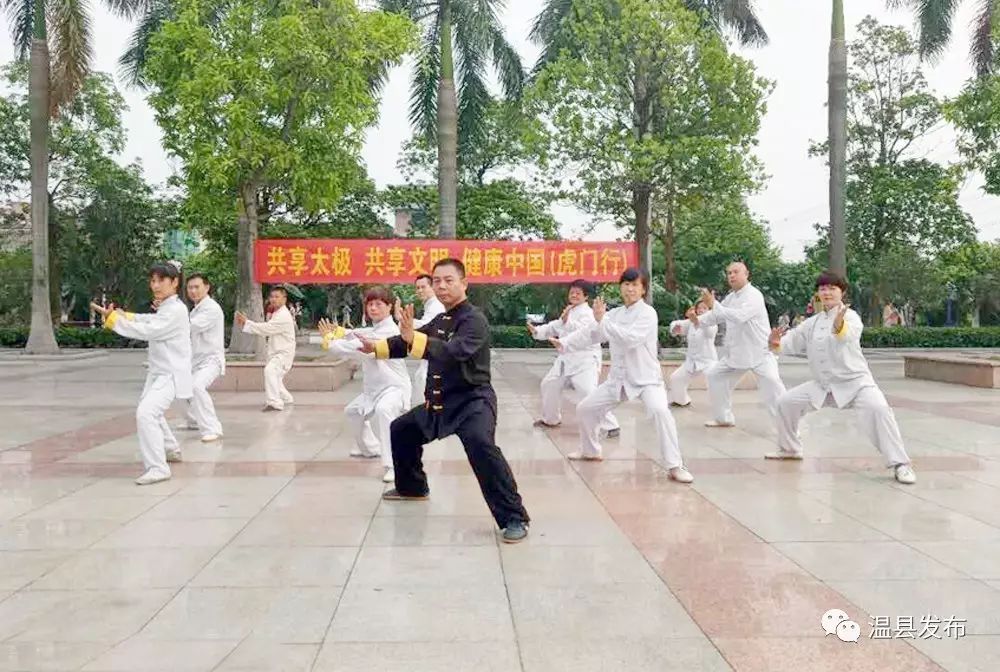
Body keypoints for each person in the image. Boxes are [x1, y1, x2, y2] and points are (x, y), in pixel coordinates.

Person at [359, 258, 531, 544]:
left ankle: (514, 517)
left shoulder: (474, 320)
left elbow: (452, 352)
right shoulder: (442, 320)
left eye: (448, 280)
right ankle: (412, 488)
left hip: (472, 402)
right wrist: (375, 346)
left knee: (482, 447)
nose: (441, 286)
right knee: (402, 429)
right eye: (437, 281)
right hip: (440, 402)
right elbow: (407, 341)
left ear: (464, 283)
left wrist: (412, 338)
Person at [768, 271, 917, 485]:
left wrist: (839, 325)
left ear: (842, 292)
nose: (826, 292)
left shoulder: (851, 317)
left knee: (879, 410)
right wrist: (775, 342)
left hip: (856, 384)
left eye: (832, 288)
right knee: (785, 403)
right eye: (822, 289)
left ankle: (901, 464)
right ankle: (790, 449)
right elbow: (789, 343)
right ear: (817, 293)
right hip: (823, 386)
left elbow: (846, 336)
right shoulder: (812, 323)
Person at [552, 268, 693, 484]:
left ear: (643, 289)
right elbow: (591, 334)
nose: (630, 289)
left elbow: (630, 339)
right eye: (626, 284)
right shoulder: (614, 314)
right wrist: (565, 343)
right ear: (621, 287)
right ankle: (590, 451)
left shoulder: (648, 313)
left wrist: (603, 322)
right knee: (585, 409)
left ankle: (675, 465)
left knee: (660, 411)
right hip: (618, 380)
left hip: (646, 379)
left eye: (635, 285)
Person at [91, 261, 192, 485]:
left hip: (170, 374)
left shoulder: (175, 310)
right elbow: (148, 320)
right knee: (150, 411)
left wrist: (115, 320)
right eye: (153, 280)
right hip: (158, 372)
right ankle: (170, 449)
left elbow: (150, 330)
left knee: (146, 414)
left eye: (161, 280)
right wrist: (122, 315)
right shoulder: (167, 307)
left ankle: (158, 468)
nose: (155, 285)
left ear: (175, 282)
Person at [318, 286, 411, 484]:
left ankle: (393, 466)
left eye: (378, 304)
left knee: (384, 411)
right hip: (375, 390)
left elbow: (355, 347)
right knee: (353, 412)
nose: (373, 308)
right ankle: (370, 448)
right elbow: (358, 333)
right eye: (370, 304)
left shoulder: (389, 331)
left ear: (389, 307)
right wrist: (340, 331)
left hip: (394, 389)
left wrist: (330, 340)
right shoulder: (376, 328)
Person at [696, 261, 787, 427]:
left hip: (760, 353)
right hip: (736, 355)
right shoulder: (731, 298)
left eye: (735, 272)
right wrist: (692, 322)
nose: (731, 276)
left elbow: (740, 316)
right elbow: (716, 316)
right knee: (715, 375)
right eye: (729, 273)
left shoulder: (754, 295)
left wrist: (713, 305)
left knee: (773, 386)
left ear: (746, 274)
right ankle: (723, 418)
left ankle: (789, 427)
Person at [528, 279, 619, 436]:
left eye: (578, 293)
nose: (574, 295)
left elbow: (584, 332)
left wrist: (565, 324)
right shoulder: (571, 310)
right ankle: (551, 419)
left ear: (586, 297)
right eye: (572, 292)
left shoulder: (589, 314)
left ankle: (611, 426)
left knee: (588, 392)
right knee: (549, 384)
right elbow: (556, 326)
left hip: (585, 360)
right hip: (565, 359)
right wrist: (537, 331)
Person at [176, 273, 225, 442]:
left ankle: (213, 428)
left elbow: (190, 327)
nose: (193, 291)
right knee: (179, 385)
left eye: (197, 287)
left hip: (211, 360)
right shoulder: (197, 308)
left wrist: (169, 314)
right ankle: (193, 421)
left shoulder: (211, 308)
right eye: (190, 287)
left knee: (196, 387)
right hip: (194, 360)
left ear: (207, 287)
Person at [236, 286, 296, 411]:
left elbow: (266, 329)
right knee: (275, 377)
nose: (273, 299)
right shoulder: (277, 313)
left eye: (277, 297)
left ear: (284, 299)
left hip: (283, 354)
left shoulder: (283, 315)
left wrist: (247, 323)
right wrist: (247, 323)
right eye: (272, 297)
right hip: (278, 352)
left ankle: (275, 403)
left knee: (270, 371)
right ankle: (286, 399)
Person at [667, 300, 718, 408]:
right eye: (699, 308)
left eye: (704, 308)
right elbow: (677, 326)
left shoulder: (712, 323)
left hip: (708, 361)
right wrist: (676, 328)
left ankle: (719, 404)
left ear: (709, 310)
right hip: (692, 361)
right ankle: (681, 401)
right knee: (676, 378)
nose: (701, 310)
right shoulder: (689, 323)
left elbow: (709, 333)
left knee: (714, 379)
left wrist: (697, 321)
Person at [408, 273, 445, 406]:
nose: (420, 291)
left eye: (423, 287)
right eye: (417, 288)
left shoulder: (436, 307)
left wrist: (405, 320)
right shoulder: (430, 305)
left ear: (433, 287)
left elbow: (426, 327)